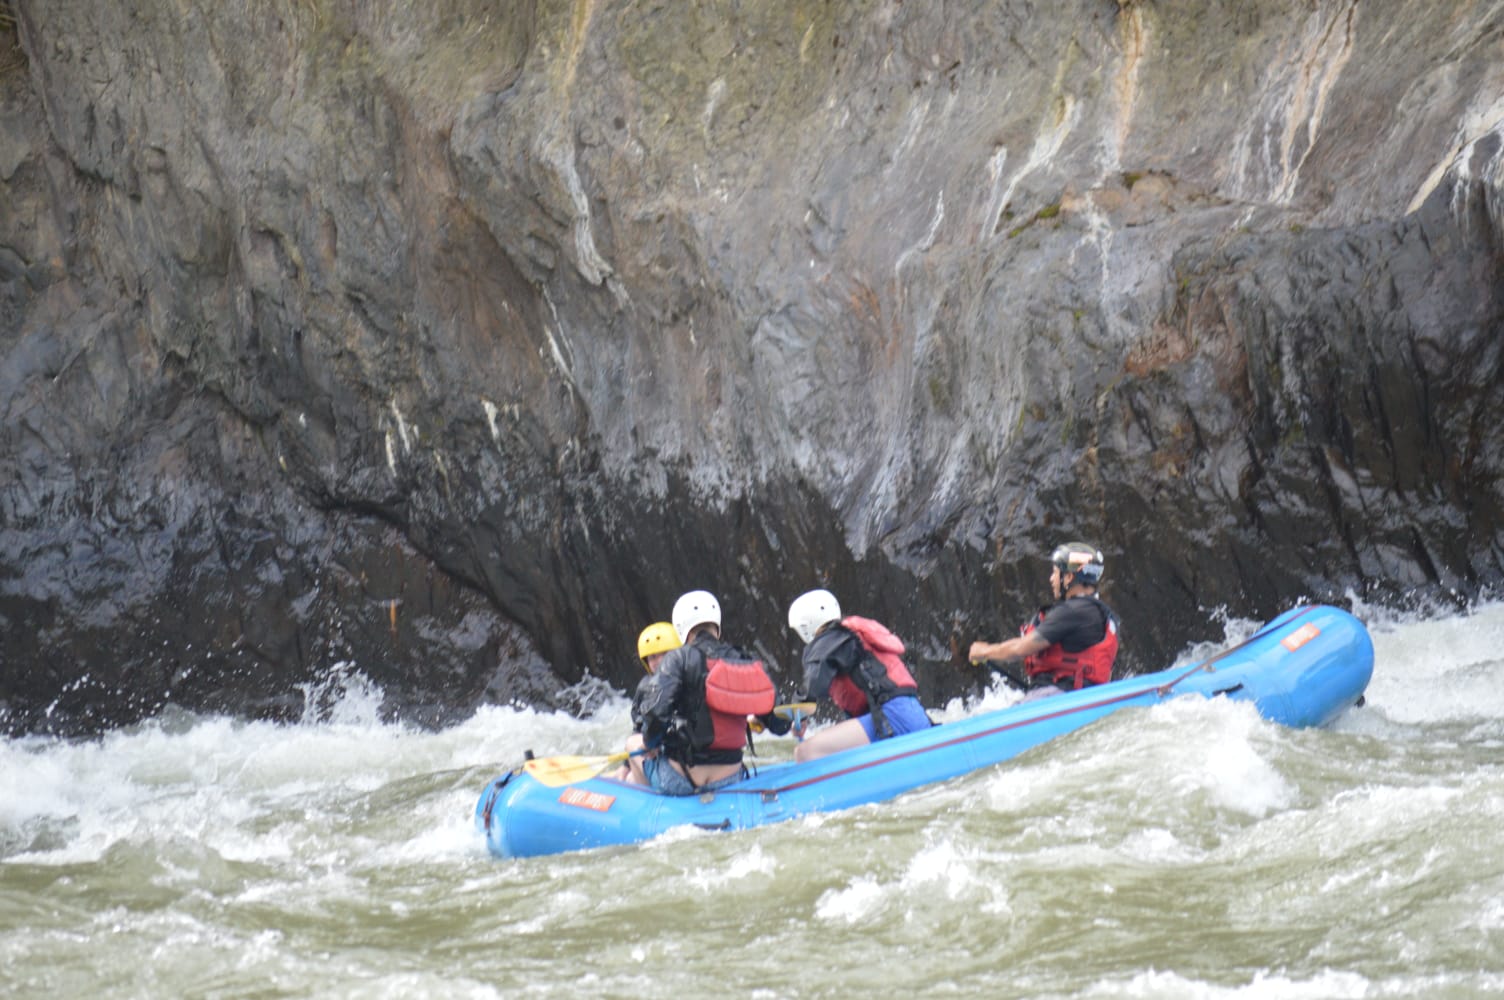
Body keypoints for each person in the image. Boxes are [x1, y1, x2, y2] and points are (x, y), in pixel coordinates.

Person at [627, 590, 780, 795]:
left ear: (681, 628)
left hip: (681, 780)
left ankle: (650, 807)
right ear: (716, 625)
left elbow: (656, 715)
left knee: (633, 743)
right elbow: (779, 723)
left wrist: (651, 742)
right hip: (730, 778)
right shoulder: (746, 660)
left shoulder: (678, 659)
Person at [785, 589, 933, 763]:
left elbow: (814, 683)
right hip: (913, 715)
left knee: (804, 752)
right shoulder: (850, 635)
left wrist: (798, 712)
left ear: (806, 626)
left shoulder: (830, 640)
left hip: (891, 718)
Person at [968, 540, 1120, 700]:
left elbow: (1021, 649)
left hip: (1058, 695)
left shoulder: (1073, 612)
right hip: (1076, 695)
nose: (1051, 579)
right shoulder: (1102, 616)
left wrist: (984, 651)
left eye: (1055, 572)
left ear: (1068, 577)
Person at [615, 621, 681, 784]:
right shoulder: (646, 688)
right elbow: (639, 727)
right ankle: (634, 777)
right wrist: (626, 765)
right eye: (652, 657)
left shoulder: (690, 680)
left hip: (679, 757)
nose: (659, 661)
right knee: (630, 768)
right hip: (659, 752)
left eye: (665, 654)